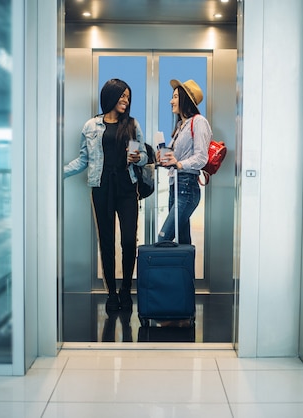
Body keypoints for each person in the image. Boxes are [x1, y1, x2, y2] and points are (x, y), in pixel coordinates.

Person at [64, 79, 147, 312]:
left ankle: (126, 289)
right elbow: (83, 159)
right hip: (101, 188)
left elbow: (143, 155)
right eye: (122, 96)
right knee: (107, 241)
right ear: (110, 96)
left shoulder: (131, 124)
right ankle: (111, 291)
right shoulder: (91, 125)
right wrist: (58, 173)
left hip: (127, 188)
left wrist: (137, 157)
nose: (126, 100)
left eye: (128, 97)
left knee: (129, 241)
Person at [157, 79, 211, 245]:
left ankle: (162, 271)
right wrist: (165, 159)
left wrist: (179, 164)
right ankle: (186, 272)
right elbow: (177, 159)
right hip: (176, 186)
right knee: (183, 240)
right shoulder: (181, 126)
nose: (171, 101)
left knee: (163, 237)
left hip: (187, 187)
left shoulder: (199, 122)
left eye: (175, 97)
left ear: (186, 99)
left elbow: (202, 157)